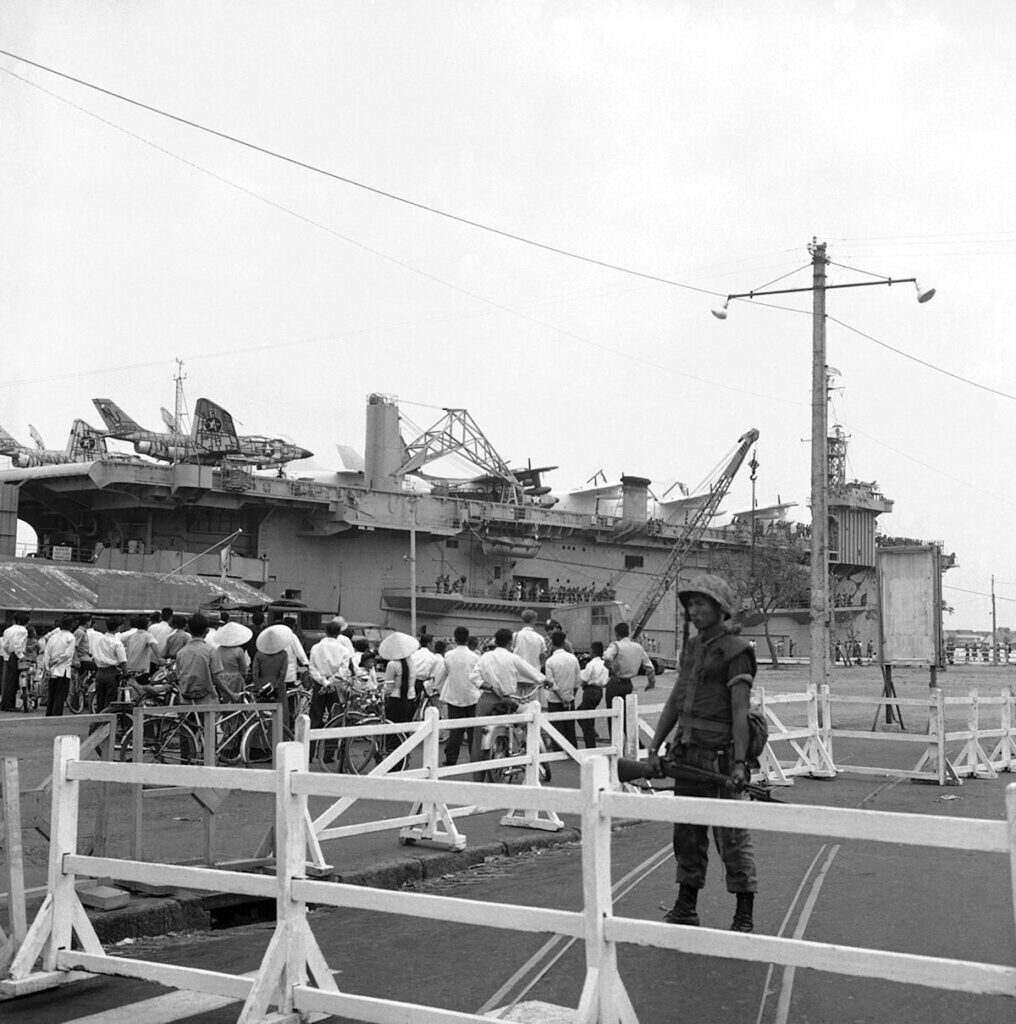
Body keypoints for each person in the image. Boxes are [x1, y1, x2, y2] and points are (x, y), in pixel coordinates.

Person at [646, 574, 758, 934]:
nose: (693, 611)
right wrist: (654, 745)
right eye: (690, 604)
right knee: (688, 836)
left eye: (701, 604)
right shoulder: (693, 649)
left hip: (722, 759)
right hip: (688, 755)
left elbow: (741, 712)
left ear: (720, 608)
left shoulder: (738, 651)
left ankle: (743, 915)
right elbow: (676, 699)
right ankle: (686, 907)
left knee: (732, 840)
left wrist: (740, 763)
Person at [468, 627, 547, 780]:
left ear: (495, 641)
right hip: (506, 701)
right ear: (510, 642)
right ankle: (520, 753)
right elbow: (532, 672)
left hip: (486, 700)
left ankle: (477, 778)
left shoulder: (485, 657)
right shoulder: (512, 658)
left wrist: (490, 687)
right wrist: (545, 680)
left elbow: (474, 677)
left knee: (479, 740)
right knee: (526, 720)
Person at [434, 625, 480, 767]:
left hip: (454, 696)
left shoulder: (448, 656)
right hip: (472, 696)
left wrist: (436, 687)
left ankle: (451, 758)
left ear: (455, 638)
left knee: (455, 730)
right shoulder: (475, 657)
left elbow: (442, 674)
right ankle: (475, 758)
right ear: (467, 638)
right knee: (473, 730)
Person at [603, 621, 656, 738]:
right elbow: (650, 668)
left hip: (615, 683)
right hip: (628, 684)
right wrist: (651, 683)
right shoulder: (638, 647)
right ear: (628, 633)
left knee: (613, 716)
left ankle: (617, 745)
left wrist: (611, 671)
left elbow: (606, 657)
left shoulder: (616, 645)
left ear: (617, 634)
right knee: (627, 715)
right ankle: (633, 741)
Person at [175, 612, 237, 704]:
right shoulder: (211, 651)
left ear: (189, 630)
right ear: (207, 630)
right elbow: (216, 679)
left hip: (186, 701)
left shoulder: (181, 653)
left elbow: (179, 676)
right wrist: (231, 694)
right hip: (207, 701)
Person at [308, 620, 352, 731]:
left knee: (316, 715)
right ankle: (331, 745)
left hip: (319, 684)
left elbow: (312, 668)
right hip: (336, 686)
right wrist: (330, 682)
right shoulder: (344, 650)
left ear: (325, 632)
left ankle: (313, 745)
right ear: (339, 633)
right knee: (335, 718)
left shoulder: (316, 647)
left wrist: (324, 682)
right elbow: (343, 671)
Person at [544, 630, 580, 750]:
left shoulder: (550, 661)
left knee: (556, 727)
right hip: (570, 697)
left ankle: (558, 751)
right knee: (570, 726)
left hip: (555, 699)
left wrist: (561, 698)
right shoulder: (573, 659)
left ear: (552, 644)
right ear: (564, 643)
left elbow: (550, 683)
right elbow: (577, 680)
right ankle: (571, 749)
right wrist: (571, 696)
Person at [379, 632, 420, 738]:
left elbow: (389, 686)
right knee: (405, 730)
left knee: (393, 731)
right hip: (410, 698)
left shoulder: (392, 664)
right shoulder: (412, 662)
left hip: (396, 700)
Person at [254, 624, 294, 728]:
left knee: (262, 715)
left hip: (263, 686)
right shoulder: (283, 654)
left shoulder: (259, 654)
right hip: (278, 688)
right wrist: (276, 687)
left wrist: (259, 687)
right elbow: (282, 674)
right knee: (280, 715)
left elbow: (255, 672)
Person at [91, 616, 128, 712]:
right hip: (111, 673)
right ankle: (108, 723)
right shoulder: (117, 643)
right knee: (110, 701)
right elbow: (123, 661)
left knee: (100, 700)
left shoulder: (98, 640)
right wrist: (126, 673)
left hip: (99, 673)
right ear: (120, 627)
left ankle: (98, 723)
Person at [43, 614, 77, 716]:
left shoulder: (53, 637)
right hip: (63, 670)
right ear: (71, 625)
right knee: (61, 695)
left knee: (52, 694)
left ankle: (49, 714)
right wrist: (56, 661)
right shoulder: (70, 637)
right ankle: (57, 715)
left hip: (52, 669)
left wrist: (47, 666)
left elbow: (47, 653)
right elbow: (67, 655)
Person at [577, 640, 609, 748]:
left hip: (590, 691)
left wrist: (582, 685)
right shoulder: (604, 665)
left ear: (593, 651)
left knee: (586, 718)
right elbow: (605, 682)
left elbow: (585, 678)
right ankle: (593, 731)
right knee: (585, 712)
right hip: (599, 691)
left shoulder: (591, 664)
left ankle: (590, 744)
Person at [121, 614, 163, 686]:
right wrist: (159, 658)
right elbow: (153, 644)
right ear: (147, 625)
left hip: (129, 669)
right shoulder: (148, 635)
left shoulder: (131, 636)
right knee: (146, 692)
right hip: (141, 670)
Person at [1, 612, 30, 711]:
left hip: (10, 656)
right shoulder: (23, 631)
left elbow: (5, 645)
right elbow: (18, 645)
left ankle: (6, 703)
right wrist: (21, 656)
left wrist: (10, 654)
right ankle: (10, 705)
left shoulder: (7, 630)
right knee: (19, 680)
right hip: (19, 655)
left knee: (10, 680)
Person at [215, 621, 253, 696]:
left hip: (221, 679)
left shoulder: (218, 649)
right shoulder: (238, 651)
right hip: (235, 680)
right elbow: (243, 670)